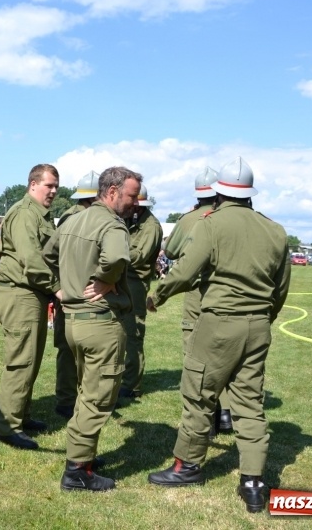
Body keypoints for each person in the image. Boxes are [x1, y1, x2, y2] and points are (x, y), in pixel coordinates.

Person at [145, 157, 291, 513]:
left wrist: (158, 295)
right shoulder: (276, 230)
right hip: (257, 325)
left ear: (218, 193)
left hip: (218, 323)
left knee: (198, 394)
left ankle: (187, 466)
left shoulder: (211, 225)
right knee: (250, 403)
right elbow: (281, 288)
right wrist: (263, 317)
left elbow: (184, 271)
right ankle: (254, 481)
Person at [45, 166, 142, 492]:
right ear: (112, 192)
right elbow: (115, 257)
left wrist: (59, 287)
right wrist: (107, 279)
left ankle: (82, 458)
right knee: (97, 399)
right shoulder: (112, 225)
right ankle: (76, 473)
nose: (136, 203)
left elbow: (47, 254)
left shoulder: (73, 219)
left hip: (73, 321)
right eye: (131, 196)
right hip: (100, 324)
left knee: (86, 393)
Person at [0, 164, 60, 450]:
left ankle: (21, 413)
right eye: (49, 186)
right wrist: (57, 287)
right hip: (20, 291)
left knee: (31, 357)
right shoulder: (24, 213)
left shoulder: (39, 215)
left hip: (32, 292)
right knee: (21, 359)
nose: (54, 191)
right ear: (33, 184)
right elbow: (32, 259)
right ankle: (8, 426)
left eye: (56, 186)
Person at [164, 167, 232, 435]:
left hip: (196, 292)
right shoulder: (230, 218)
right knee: (224, 353)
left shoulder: (189, 219)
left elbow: (169, 251)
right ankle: (226, 412)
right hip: (225, 292)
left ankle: (204, 413)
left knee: (194, 354)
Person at [52, 170, 99, 419]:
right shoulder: (93, 219)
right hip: (86, 293)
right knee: (87, 351)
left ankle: (66, 399)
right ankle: (77, 400)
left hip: (67, 291)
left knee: (67, 349)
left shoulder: (67, 218)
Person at [118, 185, 163, 400]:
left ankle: (131, 384)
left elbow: (139, 256)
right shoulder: (127, 220)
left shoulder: (151, 226)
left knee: (133, 332)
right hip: (121, 277)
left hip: (135, 282)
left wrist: (111, 250)